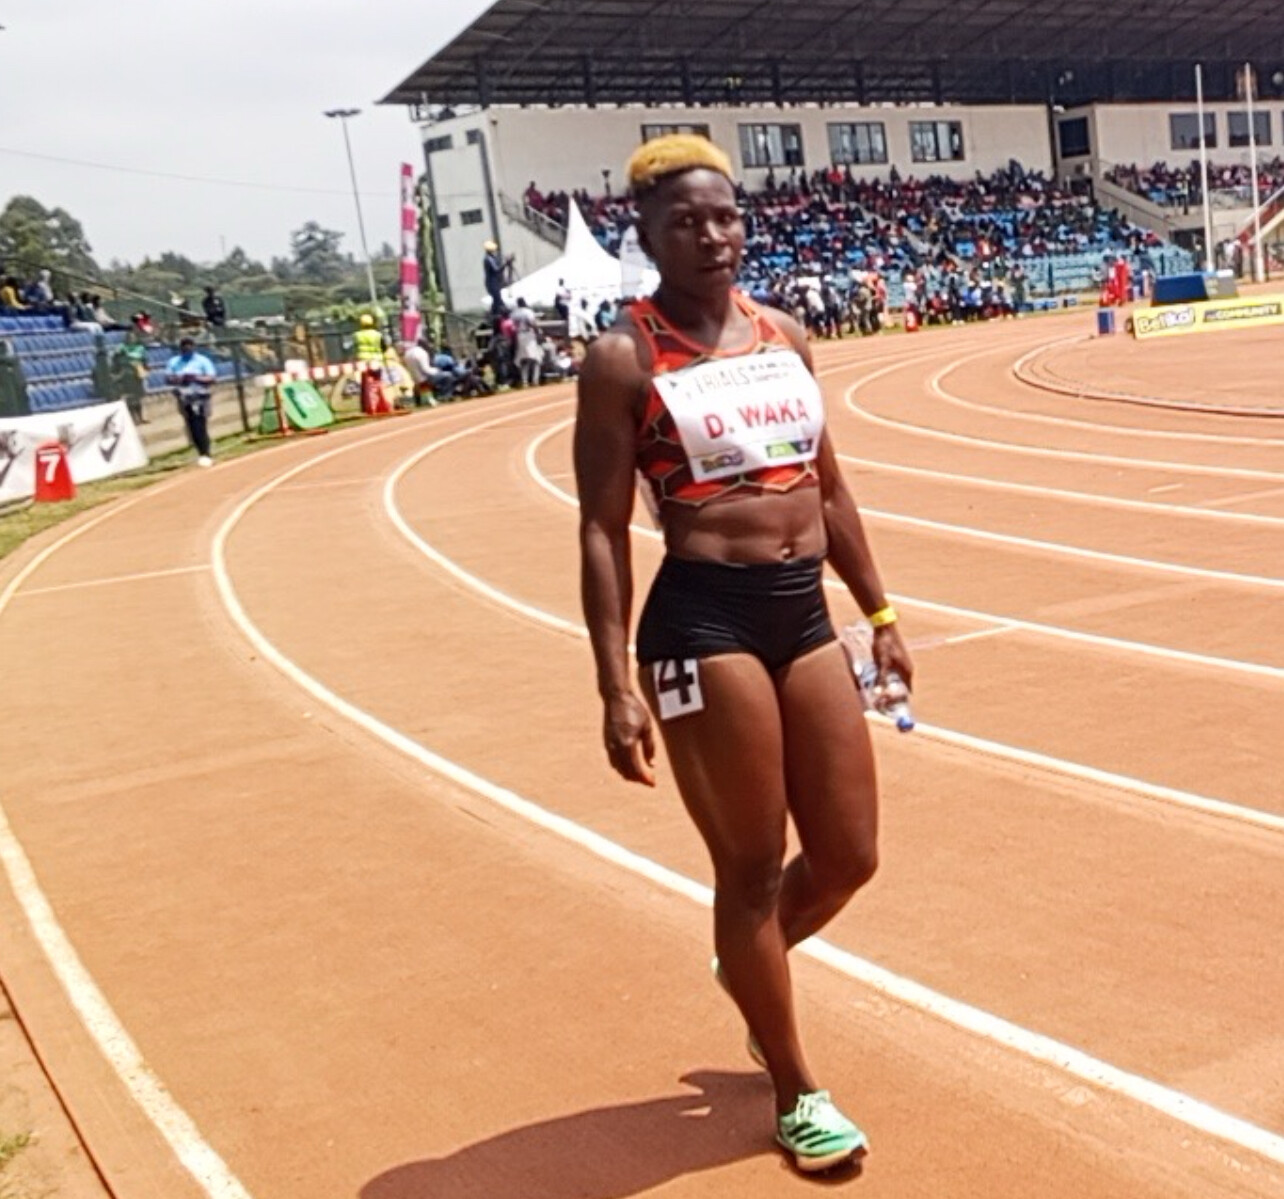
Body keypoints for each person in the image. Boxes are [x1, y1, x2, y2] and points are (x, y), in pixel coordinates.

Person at [574, 134, 912, 1174]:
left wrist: (881, 613)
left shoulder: (784, 335)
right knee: (753, 866)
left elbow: (830, 488)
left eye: (724, 216)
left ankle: (747, 965)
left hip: (801, 613)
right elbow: (600, 529)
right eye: (685, 222)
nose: (712, 236)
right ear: (646, 234)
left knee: (849, 853)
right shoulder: (625, 357)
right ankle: (796, 1088)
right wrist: (615, 684)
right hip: (702, 622)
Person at [164, 335, 216, 466]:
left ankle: (205, 451)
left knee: (201, 423)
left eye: (189, 345)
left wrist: (196, 378)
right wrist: (180, 379)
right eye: (184, 346)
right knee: (191, 424)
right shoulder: (174, 361)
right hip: (184, 396)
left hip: (201, 395)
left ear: (193, 347)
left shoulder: (202, 360)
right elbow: (168, 379)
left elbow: (211, 377)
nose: (187, 348)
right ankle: (200, 451)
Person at [510, 296, 541, 387]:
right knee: (535, 358)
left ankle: (525, 381)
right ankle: (535, 380)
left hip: (519, 335)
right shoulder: (528, 312)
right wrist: (538, 332)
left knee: (523, 359)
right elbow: (532, 323)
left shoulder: (514, 313)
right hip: (529, 335)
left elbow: (512, 325)